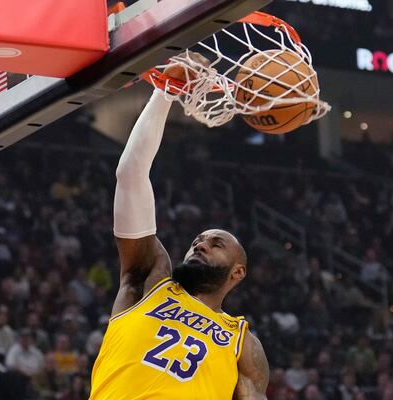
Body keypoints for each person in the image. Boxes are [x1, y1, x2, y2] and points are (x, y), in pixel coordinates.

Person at [89, 53, 269, 400]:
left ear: (238, 272)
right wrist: (165, 92)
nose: (200, 244)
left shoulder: (242, 342)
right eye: (198, 240)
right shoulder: (149, 279)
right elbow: (130, 175)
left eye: (216, 244)